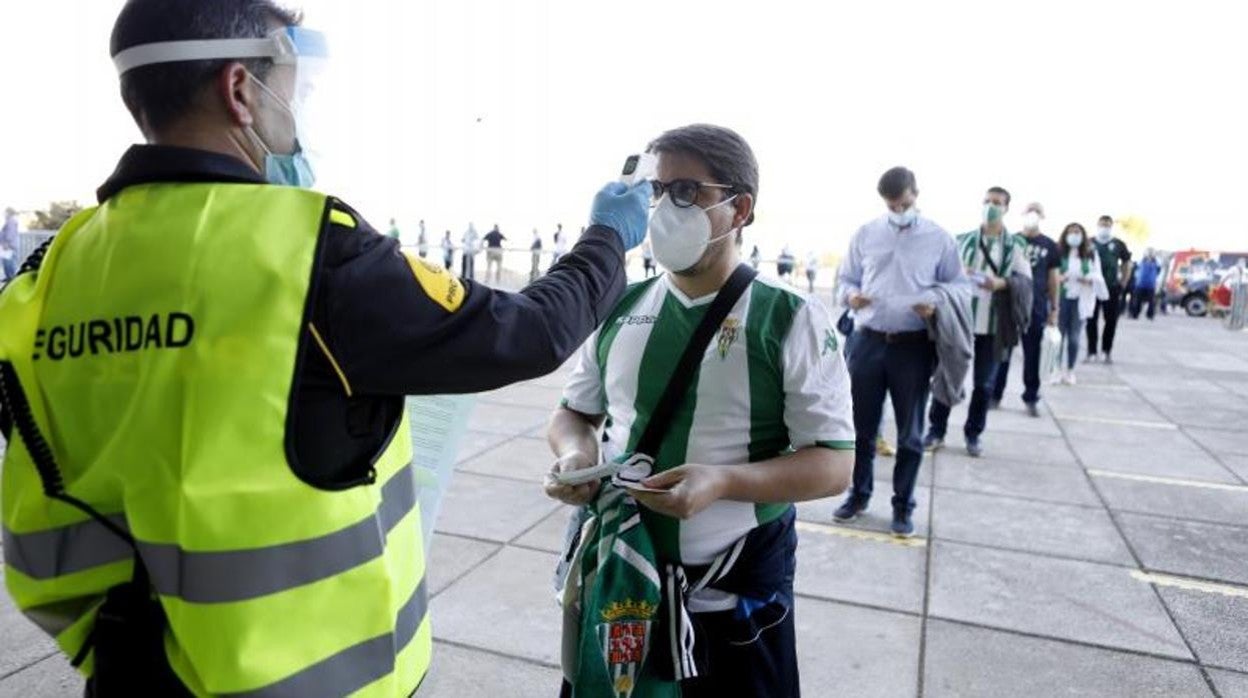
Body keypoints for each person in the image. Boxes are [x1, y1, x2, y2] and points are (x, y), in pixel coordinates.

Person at [0, 3, 652, 695]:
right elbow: (529, 331)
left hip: (128, 665)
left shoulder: (52, 270)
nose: (300, 106)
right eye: (294, 85)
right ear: (240, 91)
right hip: (297, 676)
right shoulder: (312, 250)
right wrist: (606, 238)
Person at [547, 124, 853, 697]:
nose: (664, 208)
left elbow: (834, 465)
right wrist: (576, 456)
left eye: (686, 191)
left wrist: (723, 482)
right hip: (620, 590)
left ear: (739, 209)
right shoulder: (621, 306)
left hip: (731, 606)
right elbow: (574, 413)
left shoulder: (789, 318)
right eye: (656, 192)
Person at [833, 166, 966, 536]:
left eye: (904, 203)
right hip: (868, 340)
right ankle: (857, 495)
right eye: (892, 205)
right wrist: (850, 295)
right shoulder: (867, 234)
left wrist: (935, 301)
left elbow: (959, 286)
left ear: (916, 195)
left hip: (912, 346)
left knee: (910, 433)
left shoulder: (939, 238)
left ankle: (903, 506)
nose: (898, 211)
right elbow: (845, 278)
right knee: (860, 428)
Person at [924, 187, 1030, 457]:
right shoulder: (961, 241)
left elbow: (1025, 283)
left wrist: (1002, 282)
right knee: (948, 375)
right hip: (960, 321)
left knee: (984, 384)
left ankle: (973, 434)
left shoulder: (1016, 245)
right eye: (987, 201)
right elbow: (940, 275)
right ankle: (936, 430)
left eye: (997, 203)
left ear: (1006, 208)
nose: (991, 206)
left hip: (994, 326)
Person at [990, 202, 1060, 416]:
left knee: (1033, 355)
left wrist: (1054, 308)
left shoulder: (1049, 245)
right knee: (1003, 352)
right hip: (1010, 303)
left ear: (1043, 216)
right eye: (1029, 211)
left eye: (1037, 211)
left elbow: (1053, 278)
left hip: (1036, 305)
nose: (1033, 215)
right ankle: (995, 394)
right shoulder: (1011, 241)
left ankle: (1031, 397)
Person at [1055, 223, 1106, 385]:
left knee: (1074, 337)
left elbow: (1098, 276)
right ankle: (1056, 369)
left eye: (1077, 232)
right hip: (1062, 297)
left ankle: (1070, 370)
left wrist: (1088, 279)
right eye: (1070, 232)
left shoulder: (1090, 254)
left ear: (1083, 235)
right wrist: (1060, 278)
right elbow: (1052, 273)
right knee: (1058, 336)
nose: (1074, 236)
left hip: (1080, 298)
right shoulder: (1059, 252)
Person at [1086, 215, 1131, 363]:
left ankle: (1106, 350)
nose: (1104, 228)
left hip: (1111, 286)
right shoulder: (1090, 243)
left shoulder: (1118, 244)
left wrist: (1124, 281)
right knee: (1091, 319)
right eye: (1102, 224)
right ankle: (1091, 351)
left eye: (1107, 225)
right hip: (1092, 286)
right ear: (1097, 225)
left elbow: (1126, 263)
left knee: (1110, 320)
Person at [1130, 248, 1162, 320]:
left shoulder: (1156, 262)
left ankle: (1150, 315)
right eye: (1148, 252)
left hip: (1151, 285)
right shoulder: (1141, 260)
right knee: (1138, 300)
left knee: (1151, 301)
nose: (1150, 254)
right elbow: (1135, 268)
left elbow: (1158, 271)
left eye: (1151, 253)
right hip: (1140, 284)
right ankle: (1135, 314)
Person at [1, 207, 19, 280]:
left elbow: (10, 233)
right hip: (6, 244)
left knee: (9, 262)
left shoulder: (11, 221)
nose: (4, 213)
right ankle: (8, 277)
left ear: (9, 213)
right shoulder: (8, 221)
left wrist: (7, 243)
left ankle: (11, 277)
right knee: (6, 261)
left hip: (9, 245)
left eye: (5, 212)